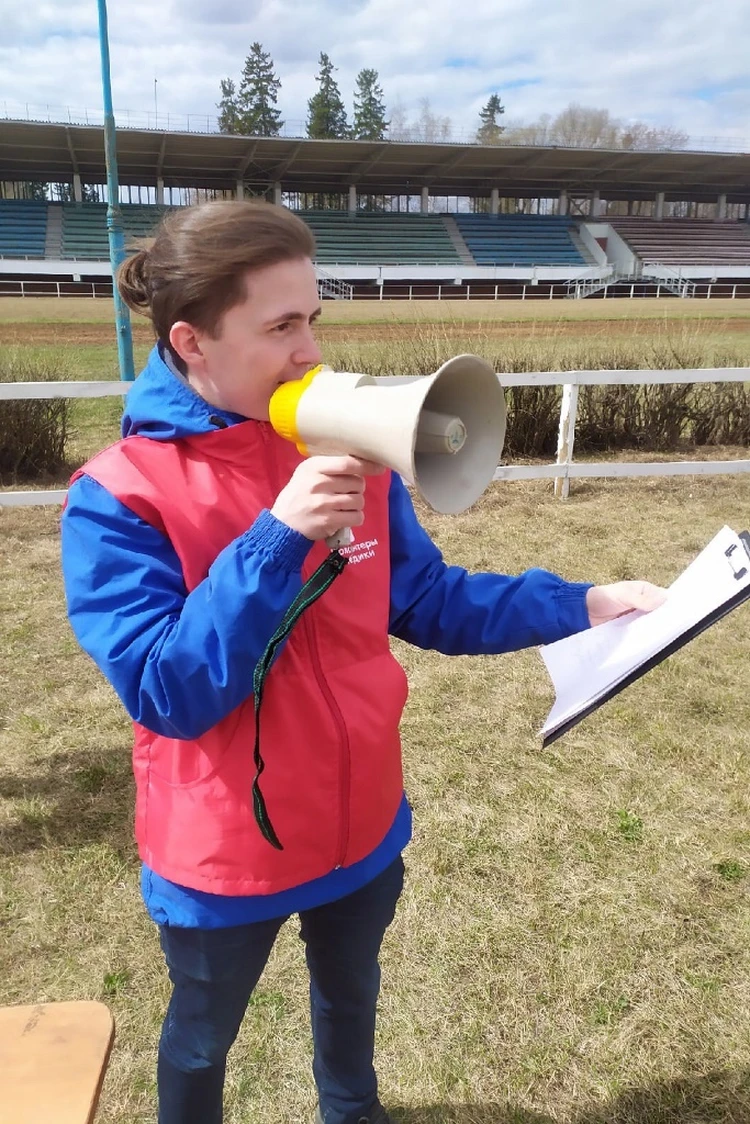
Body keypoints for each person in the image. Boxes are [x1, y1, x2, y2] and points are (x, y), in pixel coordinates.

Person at [60, 200, 664, 1124]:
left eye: (314, 319)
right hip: (226, 855)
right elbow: (166, 692)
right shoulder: (118, 498)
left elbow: (424, 598)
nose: (311, 349)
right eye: (280, 325)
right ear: (192, 340)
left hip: (362, 823)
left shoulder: (347, 447)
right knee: (199, 1040)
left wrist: (580, 605)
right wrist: (275, 539)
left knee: (351, 1003)